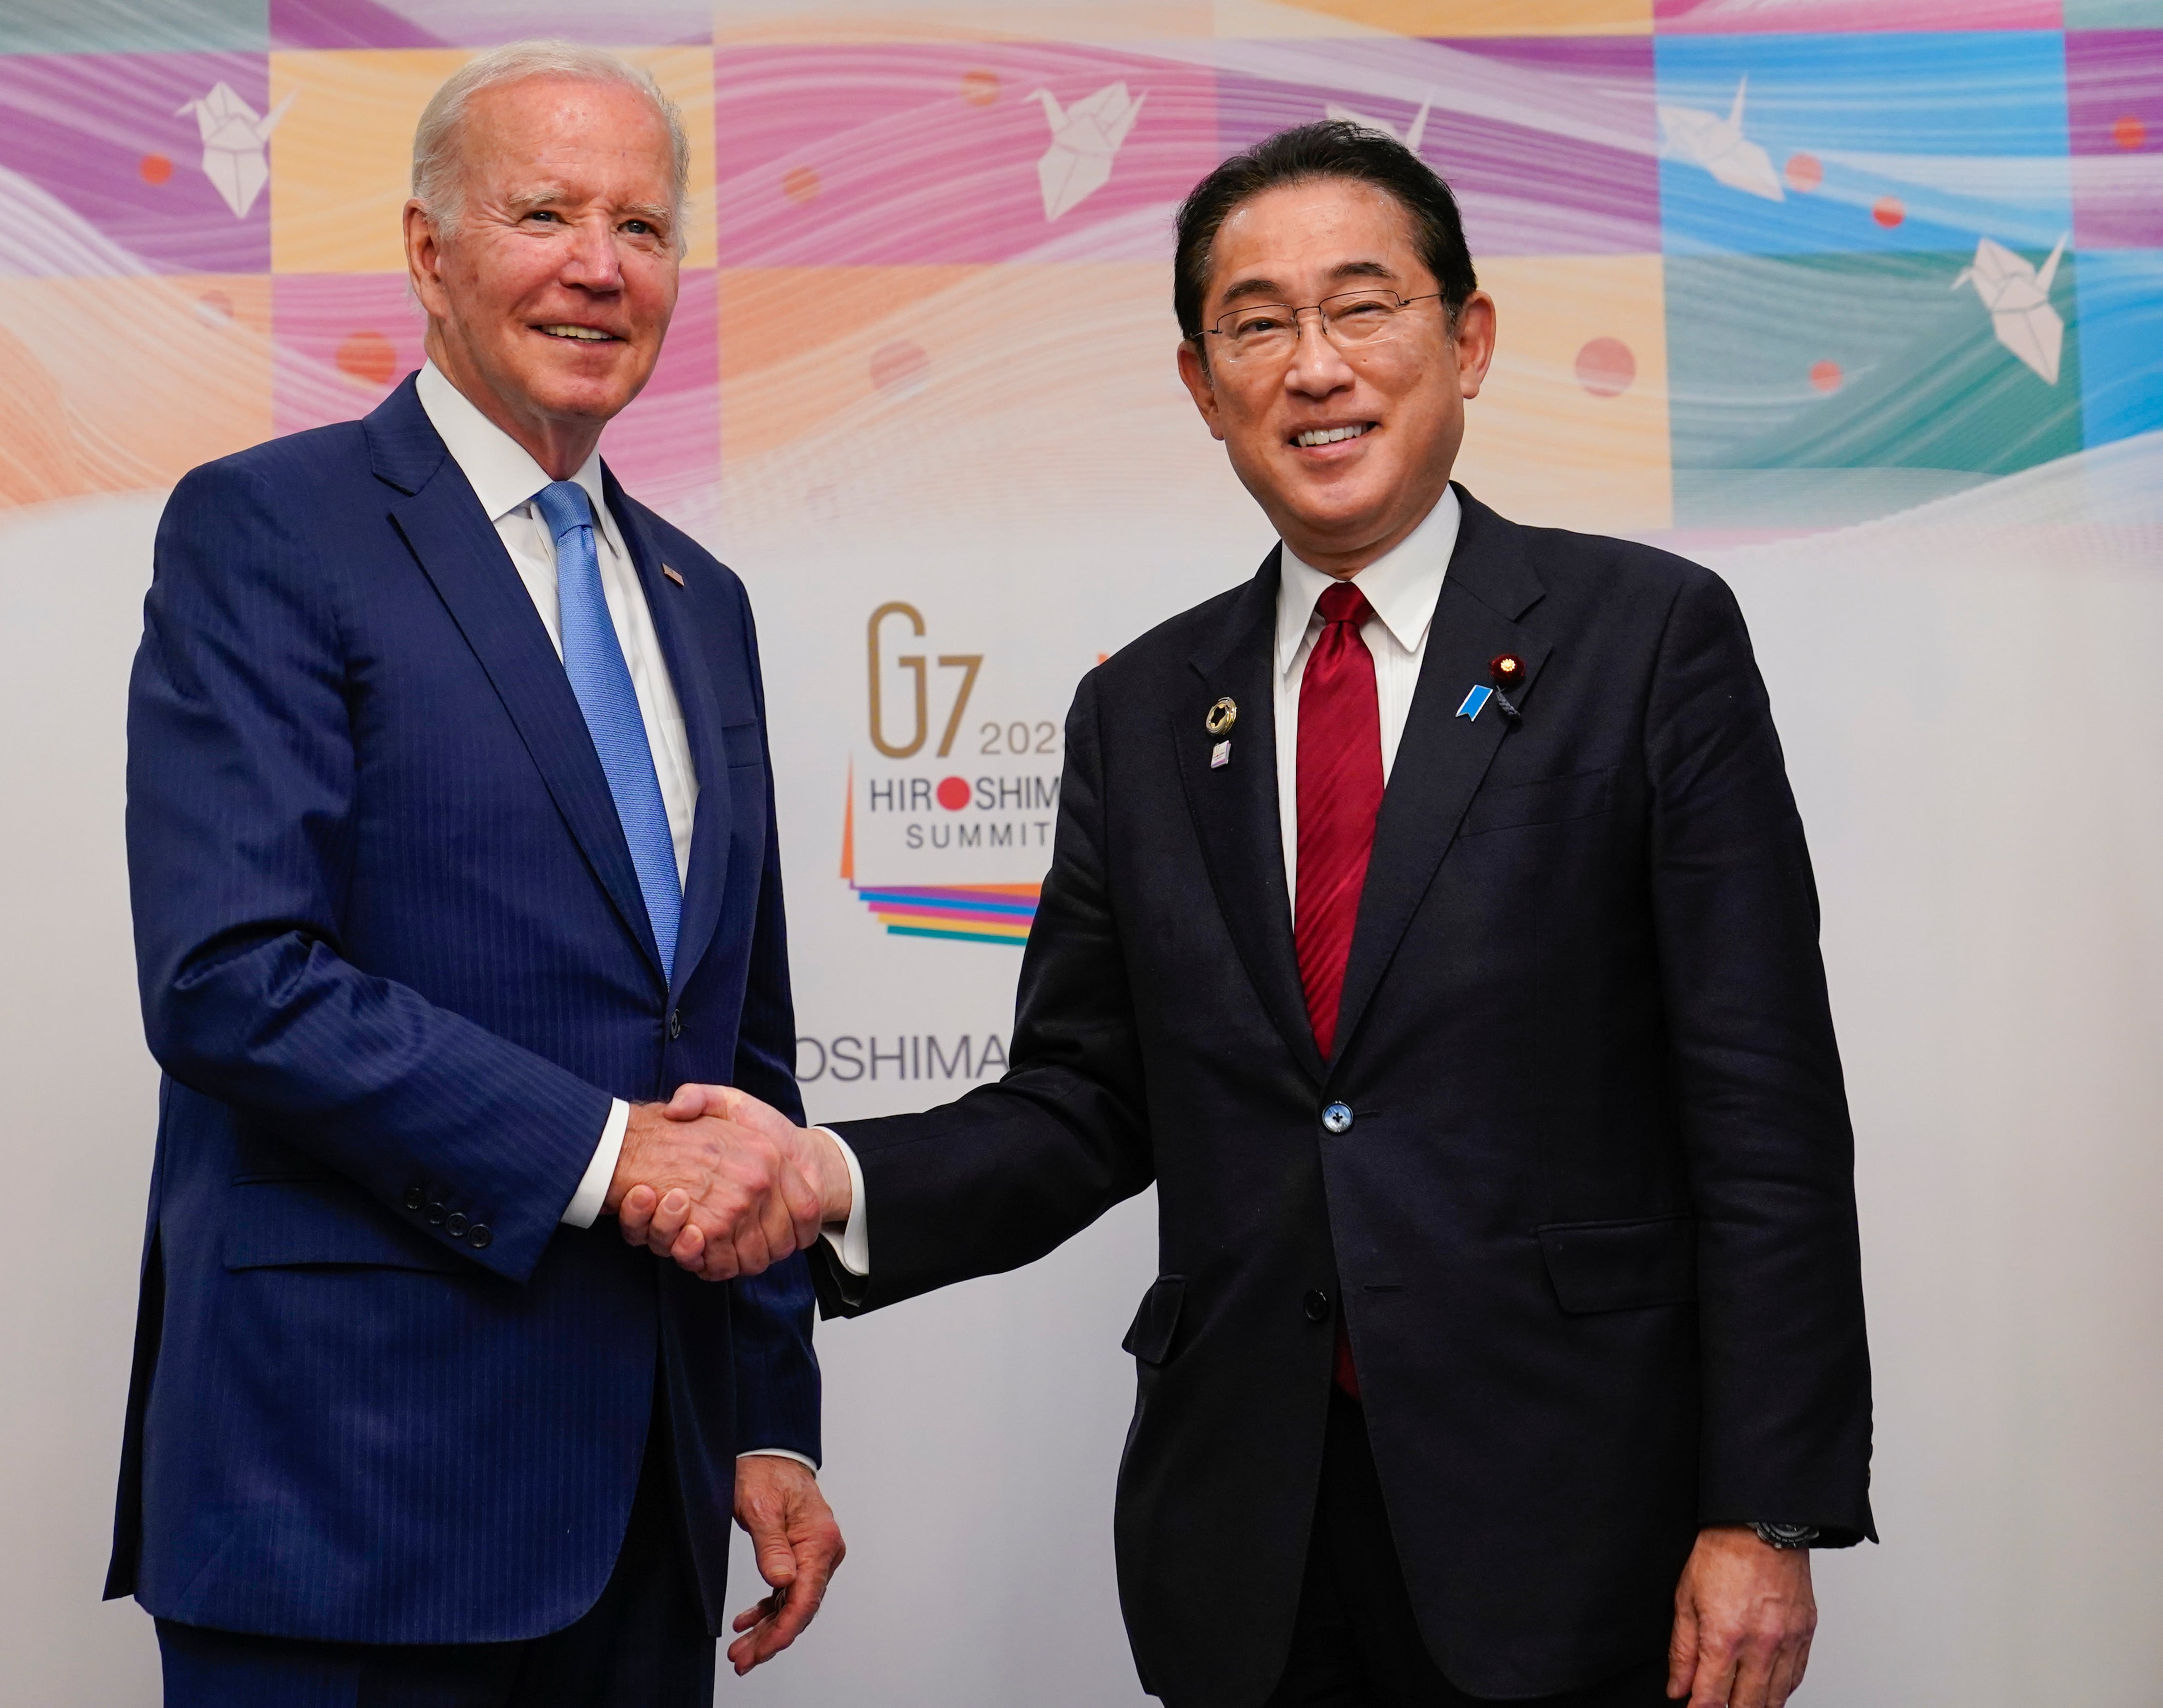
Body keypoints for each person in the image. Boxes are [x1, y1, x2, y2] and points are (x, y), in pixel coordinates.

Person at [635, 122, 1874, 1708]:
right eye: (1258, 323)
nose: (1315, 367)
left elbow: (1762, 1109)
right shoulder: (1148, 707)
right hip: (1253, 1541)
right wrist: (834, 1176)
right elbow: (1088, 1098)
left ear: (1469, 338)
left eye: (1363, 308)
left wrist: (1767, 1510)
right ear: (1200, 383)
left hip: (1577, 1524)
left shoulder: (1646, 645)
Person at [108, 41, 844, 1706]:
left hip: (647, 1509)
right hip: (350, 1504)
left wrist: (768, 1418)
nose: (601, 265)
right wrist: (604, 1155)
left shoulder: (698, 594)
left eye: (643, 227)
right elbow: (230, 976)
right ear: (432, 252)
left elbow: (744, 1052)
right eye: (546, 212)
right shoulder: (269, 531)